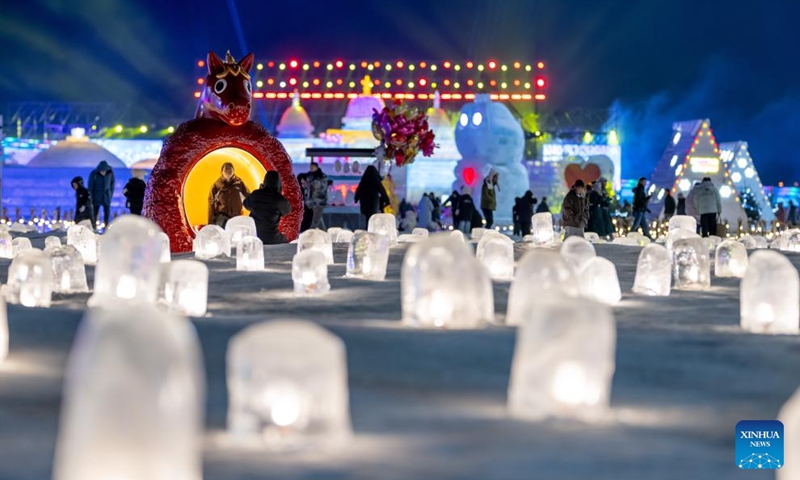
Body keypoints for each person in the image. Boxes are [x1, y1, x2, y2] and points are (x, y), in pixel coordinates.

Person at [243, 171, 292, 244]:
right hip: (272, 237)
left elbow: (246, 204)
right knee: (285, 241)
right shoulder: (279, 198)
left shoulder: (256, 194)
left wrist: (260, 191)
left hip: (254, 234)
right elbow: (288, 210)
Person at [208, 162, 250, 227]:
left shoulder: (239, 183)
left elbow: (248, 196)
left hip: (236, 217)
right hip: (222, 217)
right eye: (226, 168)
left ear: (233, 171)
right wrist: (211, 221)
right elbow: (211, 202)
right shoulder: (217, 185)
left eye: (230, 168)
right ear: (221, 171)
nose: (228, 170)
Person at [88, 160, 115, 228]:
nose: (103, 172)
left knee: (107, 212)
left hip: (106, 196)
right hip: (96, 196)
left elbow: (112, 185)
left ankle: (106, 226)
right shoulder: (94, 174)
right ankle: (94, 225)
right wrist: (91, 197)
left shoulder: (110, 173)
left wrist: (110, 195)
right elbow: (90, 186)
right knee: (95, 211)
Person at [305, 162, 329, 230]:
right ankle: (324, 231)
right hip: (312, 200)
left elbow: (323, 187)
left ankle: (311, 230)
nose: (311, 169)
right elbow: (308, 188)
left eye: (312, 167)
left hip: (320, 200)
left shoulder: (322, 176)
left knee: (316, 217)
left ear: (316, 167)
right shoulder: (309, 176)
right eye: (310, 167)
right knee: (317, 217)